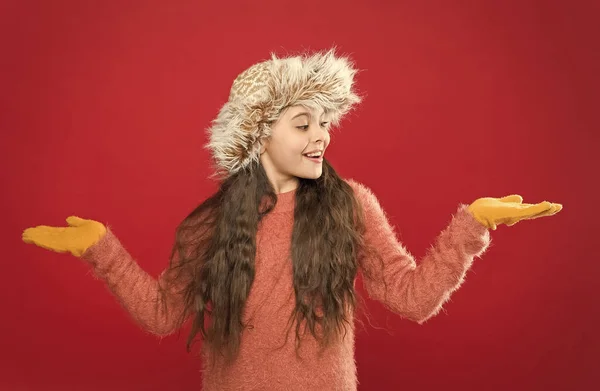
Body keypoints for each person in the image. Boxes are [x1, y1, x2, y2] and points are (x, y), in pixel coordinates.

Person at [22, 48, 563, 391]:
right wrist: (101, 248)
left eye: (325, 122)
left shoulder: (350, 203)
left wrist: (474, 224)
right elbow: (164, 313)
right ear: (257, 136)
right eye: (303, 123)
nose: (322, 135)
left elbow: (412, 297)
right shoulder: (207, 227)